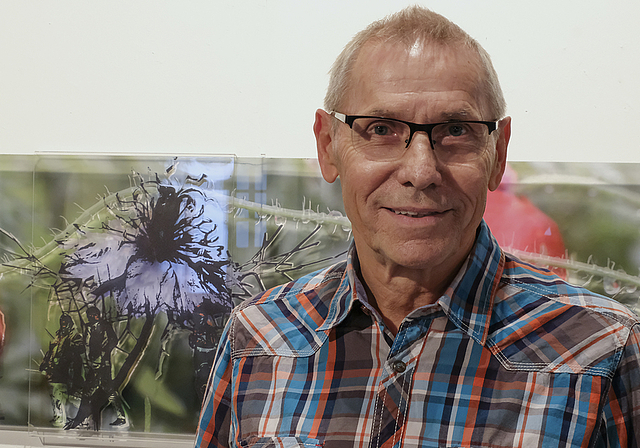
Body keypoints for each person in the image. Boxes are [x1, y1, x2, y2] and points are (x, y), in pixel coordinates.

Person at [196, 6, 640, 447]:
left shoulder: (600, 350)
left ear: (498, 153)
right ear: (329, 146)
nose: (421, 170)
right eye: (381, 129)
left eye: (456, 129)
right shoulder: (258, 339)